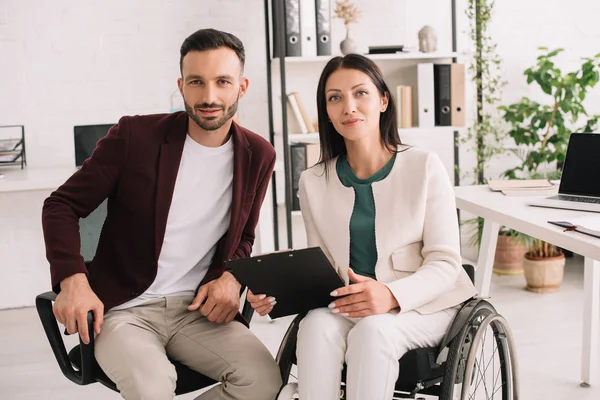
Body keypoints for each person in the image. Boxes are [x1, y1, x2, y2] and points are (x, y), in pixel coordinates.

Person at [42, 28, 282, 400]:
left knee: (264, 380)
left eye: (223, 82)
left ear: (242, 86)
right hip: (124, 311)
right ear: (181, 85)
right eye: (196, 82)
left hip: (196, 310)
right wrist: (73, 279)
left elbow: (244, 236)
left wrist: (231, 277)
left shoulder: (258, 154)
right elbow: (61, 205)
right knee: (152, 387)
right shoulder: (134, 137)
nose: (209, 96)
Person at [248, 54, 477, 400]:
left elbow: (446, 264)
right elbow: (321, 267)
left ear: (383, 100)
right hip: (350, 304)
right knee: (314, 327)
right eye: (335, 97)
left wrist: (389, 295)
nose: (348, 107)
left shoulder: (424, 166)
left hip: (424, 304)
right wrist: (276, 292)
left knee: (373, 331)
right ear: (326, 110)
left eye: (360, 93)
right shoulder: (313, 181)